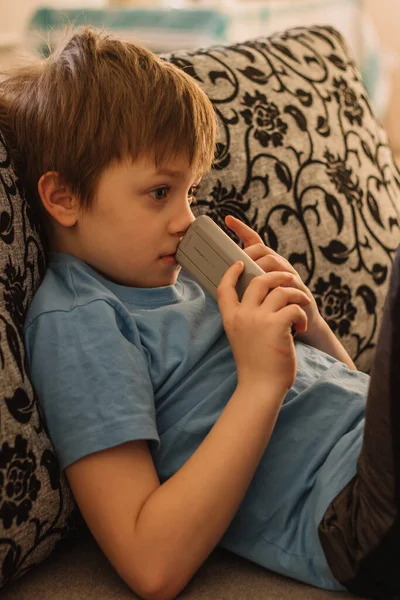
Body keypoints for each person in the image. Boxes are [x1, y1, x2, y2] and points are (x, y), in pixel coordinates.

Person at [0, 26, 398, 600]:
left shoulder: (194, 282)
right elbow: (150, 561)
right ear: (64, 198)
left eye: (190, 191)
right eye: (160, 192)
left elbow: (343, 395)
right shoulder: (82, 319)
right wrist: (261, 381)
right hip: (349, 508)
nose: (187, 218)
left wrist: (308, 326)